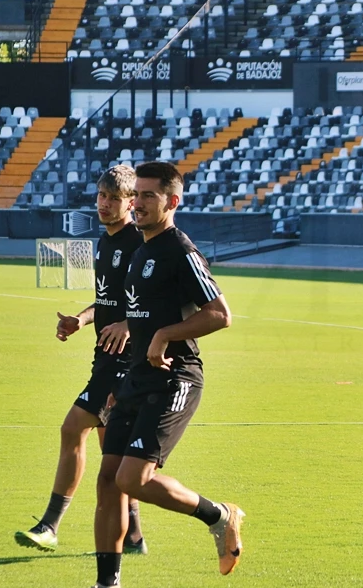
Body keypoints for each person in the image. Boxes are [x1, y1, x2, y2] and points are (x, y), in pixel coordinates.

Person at [91, 161, 243, 588]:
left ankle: (220, 515)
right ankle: (108, 583)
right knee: (109, 480)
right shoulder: (140, 250)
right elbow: (138, 323)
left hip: (176, 378)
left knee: (132, 478)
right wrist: (122, 384)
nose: (136, 204)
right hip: (138, 378)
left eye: (148, 196)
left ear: (172, 202)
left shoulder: (181, 250)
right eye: (135, 195)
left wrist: (164, 335)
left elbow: (220, 314)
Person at [15, 165, 148, 555]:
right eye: (101, 197)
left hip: (126, 362)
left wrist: (126, 323)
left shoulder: (139, 243)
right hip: (104, 357)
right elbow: (109, 302)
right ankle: (135, 537)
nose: (104, 204)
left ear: (130, 202)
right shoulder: (105, 243)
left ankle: (50, 525)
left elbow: (152, 305)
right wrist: (82, 318)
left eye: (114, 199)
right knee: (116, 457)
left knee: (72, 430)